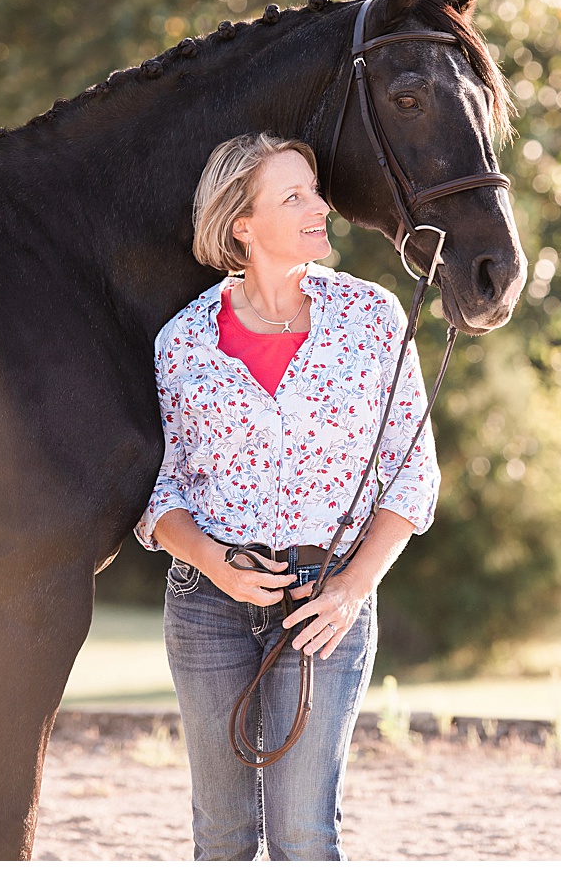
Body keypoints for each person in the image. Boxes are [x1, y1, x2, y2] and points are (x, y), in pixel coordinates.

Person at [136, 131, 437, 861]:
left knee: (306, 833)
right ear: (242, 223)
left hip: (325, 606)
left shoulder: (373, 320)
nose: (319, 206)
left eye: (314, 190)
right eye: (293, 196)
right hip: (208, 606)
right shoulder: (181, 342)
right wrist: (214, 564)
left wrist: (351, 590)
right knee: (224, 835)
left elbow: (414, 471)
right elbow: (160, 488)